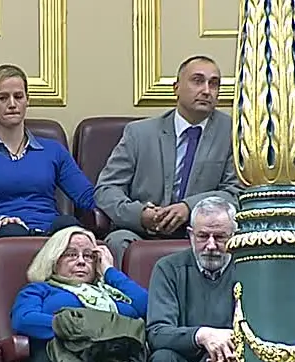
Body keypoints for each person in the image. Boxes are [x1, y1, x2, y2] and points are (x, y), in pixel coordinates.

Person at [94, 55, 243, 266]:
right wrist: (140, 215)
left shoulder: (233, 134)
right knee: (118, 242)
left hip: (205, 233)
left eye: (214, 83)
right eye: (198, 81)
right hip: (143, 231)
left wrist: (189, 208)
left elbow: (236, 193)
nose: (207, 90)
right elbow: (106, 189)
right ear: (176, 88)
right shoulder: (139, 133)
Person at [0, 64, 97, 239]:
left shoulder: (53, 150)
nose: (12, 104)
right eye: (3, 98)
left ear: (27, 100)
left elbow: (86, 196)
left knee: (69, 226)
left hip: (51, 234)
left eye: (18, 96)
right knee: (13, 231)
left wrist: (124, 206)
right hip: (3, 232)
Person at [10, 226, 148, 362]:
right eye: (71, 254)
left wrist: (110, 271)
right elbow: (24, 319)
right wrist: (84, 329)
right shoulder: (40, 289)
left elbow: (146, 307)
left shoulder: (110, 293)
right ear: (54, 260)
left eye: (89, 256)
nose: (81, 261)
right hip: (54, 361)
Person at [145, 196, 238, 362]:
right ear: (190, 235)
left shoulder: (249, 268)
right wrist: (202, 335)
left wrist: (230, 349)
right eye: (203, 236)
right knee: (163, 359)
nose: (211, 245)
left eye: (220, 237)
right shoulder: (168, 268)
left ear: (234, 235)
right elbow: (157, 332)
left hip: (235, 360)